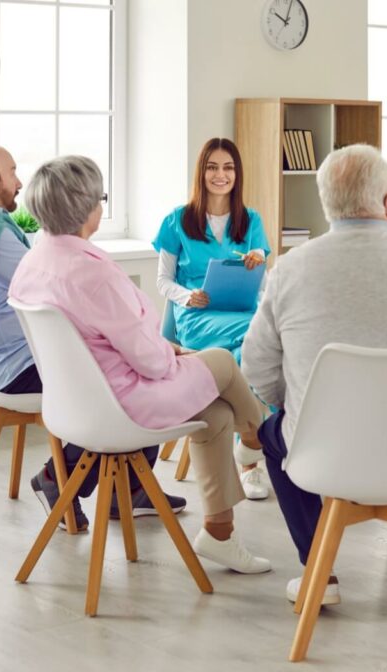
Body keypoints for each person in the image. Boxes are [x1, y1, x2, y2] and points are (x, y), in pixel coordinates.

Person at [241, 144, 387, 606]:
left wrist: (294, 406)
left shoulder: (289, 269)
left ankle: (319, 573)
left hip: (320, 453)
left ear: (327, 203)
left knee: (273, 434)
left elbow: (257, 365)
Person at [9, 154, 273, 574]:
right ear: (87, 207)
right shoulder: (95, 274)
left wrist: (170, 351)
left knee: (218, 412)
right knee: (222, 360)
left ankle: (220, 532)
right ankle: (265, 440)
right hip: (127, 403)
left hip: (75, 405)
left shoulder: (33, 263)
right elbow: (151, 363)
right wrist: (171, 353)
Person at [0, 145, 185, 532]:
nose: (19, 182)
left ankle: (128, 488)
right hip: (18, 365)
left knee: (118, 363)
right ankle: (63, 478)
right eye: (11, 172)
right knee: (121, 378)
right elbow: (55, 286)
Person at [153, 138, 273, 500]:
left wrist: (258, 261)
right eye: (212, 167)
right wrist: (187, 296)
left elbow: (263, 287)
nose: (220, 175)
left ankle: (253, 448)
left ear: (237, 175)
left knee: (257, 341)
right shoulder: (177, 221)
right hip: (198, 317)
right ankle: (251, 458)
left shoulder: (250, 220)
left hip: (243, 312)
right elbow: (163, 281)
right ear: (201, 172)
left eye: (228, 168)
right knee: (257, 339)